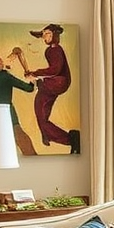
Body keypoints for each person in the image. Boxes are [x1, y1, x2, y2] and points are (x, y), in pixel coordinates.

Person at [11, 23, 80, 154]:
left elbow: (55, 69)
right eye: (43, 35)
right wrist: (35, 76)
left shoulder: (54, 49)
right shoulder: (53, 49)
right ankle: (56, 135)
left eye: (47, 34)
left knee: (40, 112)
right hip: (56, 83)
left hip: (57, 82)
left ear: (55, 34)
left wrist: (36, 74)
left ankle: (69, 138)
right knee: (42, 113)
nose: (45, 37)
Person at [0, 54, 37, 155]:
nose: (1, 62)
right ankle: (31, 154)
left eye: (0, 60)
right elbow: (28, 88)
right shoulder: (6, 76)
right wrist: (32, 82)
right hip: (6, 111)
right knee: (19, 134)